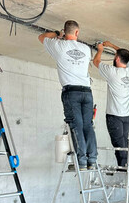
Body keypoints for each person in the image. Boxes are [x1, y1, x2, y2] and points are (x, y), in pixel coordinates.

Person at [38, 20, 97, 170]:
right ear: (77, 32)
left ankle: (81, 162)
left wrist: (57, 35)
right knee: (87, 126)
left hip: (72, 93)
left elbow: (42, 37)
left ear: (65, 31)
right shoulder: (86, 49)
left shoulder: (59, 46)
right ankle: (92, 160)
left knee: (76, 126)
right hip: (87, 92)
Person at [93, 41, 129, 167]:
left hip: (115, 115)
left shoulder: (113, 72)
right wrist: (112, 46)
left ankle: (123, 168)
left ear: (117, 58)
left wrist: (100, 49)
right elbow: (126, 54)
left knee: (119, 144)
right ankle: (126, 166)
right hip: (127, 115)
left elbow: (96, 62)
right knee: (124, 143)